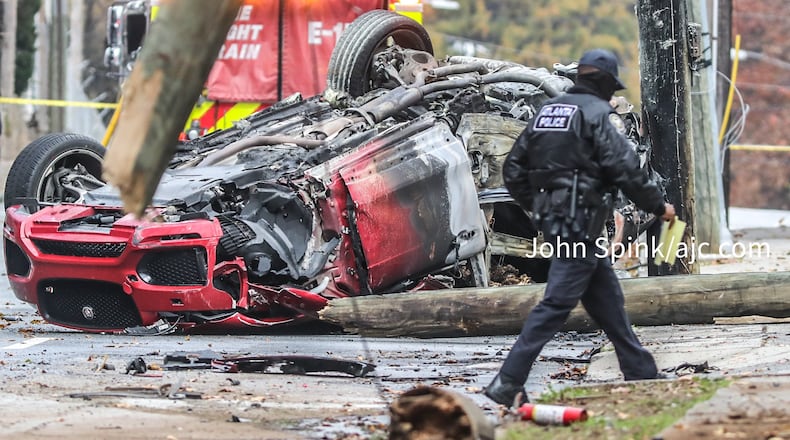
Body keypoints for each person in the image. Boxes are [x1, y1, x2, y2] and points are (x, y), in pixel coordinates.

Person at [483, 48, 676, 407]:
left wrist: (540, 209)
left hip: (560, 225)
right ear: (603, 83)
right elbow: (626, 169)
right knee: (555, 304)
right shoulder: (596, 114)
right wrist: (658, 206)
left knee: (608, 300)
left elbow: (512, 171)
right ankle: (507, 382)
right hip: (581, 226)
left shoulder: (547, 112)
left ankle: (639, 369)